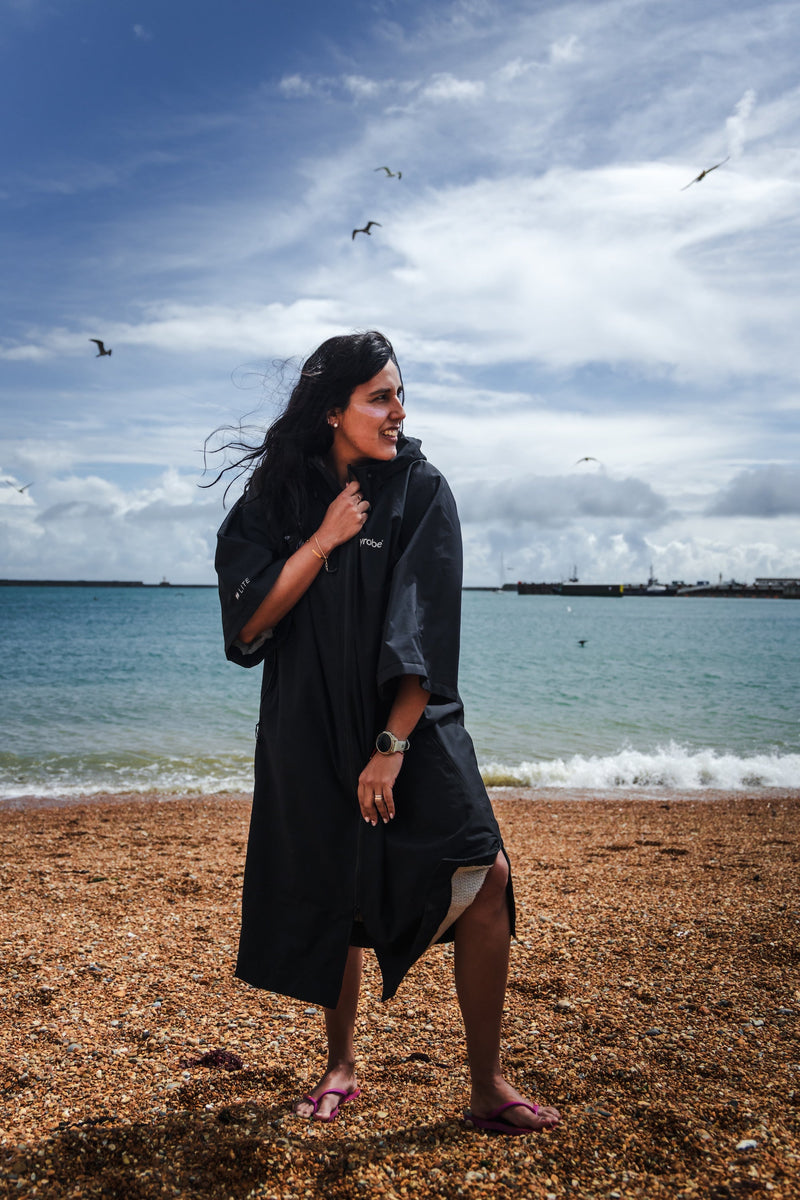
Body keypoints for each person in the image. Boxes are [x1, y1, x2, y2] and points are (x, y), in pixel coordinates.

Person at [215, 330, 560, 1134]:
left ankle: (485, 1085)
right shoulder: (275, 504)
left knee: (486, 875)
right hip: (306, 725)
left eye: (400, 394)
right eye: (380, 396)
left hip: (412, 721)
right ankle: (340, 1064)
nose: (398, 411)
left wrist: (393, 746)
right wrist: (324, 538)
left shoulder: (420, 488)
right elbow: (248, 624)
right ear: (333, 410)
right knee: (336, 891)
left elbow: (425, 627)